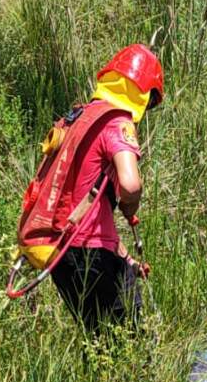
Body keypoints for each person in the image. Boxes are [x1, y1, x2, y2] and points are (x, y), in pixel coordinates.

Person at [49, 44, 163, 335]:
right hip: (90, 254)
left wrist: (125, 260)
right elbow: (130, 184)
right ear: (143, 94)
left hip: (61, 254)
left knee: (96, 339)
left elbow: (86, 206)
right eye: (150, 103)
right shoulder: (117, 121)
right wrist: (131, 204)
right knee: (130, 340)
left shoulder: (78, 118)